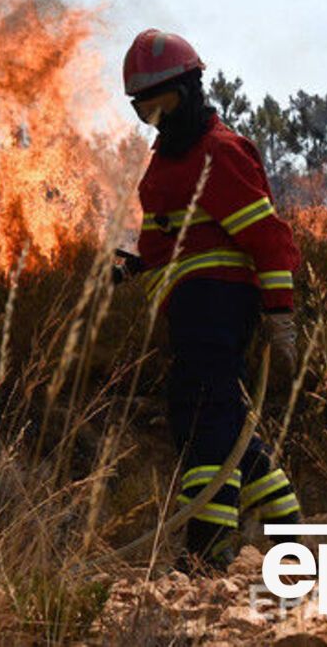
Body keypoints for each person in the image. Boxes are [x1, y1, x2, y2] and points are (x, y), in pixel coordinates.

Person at [122, 28, 302, 572]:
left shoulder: (221, 153)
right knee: (221, 416)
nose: (156, 119)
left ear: (192, 90)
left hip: (222, 302)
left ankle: (206, 555)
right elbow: (161, 243)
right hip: (189, 309)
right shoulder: (161, 170)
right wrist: (135, 267)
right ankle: (288, 535)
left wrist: (280, 316)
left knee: (201, 418)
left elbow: (268, 238)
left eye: (164, 103)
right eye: (143, 110)